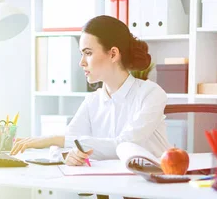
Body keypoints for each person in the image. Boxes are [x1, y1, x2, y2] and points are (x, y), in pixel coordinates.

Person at [10, 15, 171, 166]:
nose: (81, 63)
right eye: (82, 54)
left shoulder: (151, 93)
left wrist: (52, 139)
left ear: (113, 54)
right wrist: (68, 155)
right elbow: (59, 148)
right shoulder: (92, 101)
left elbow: (125, 145)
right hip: (110, 187)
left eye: (88, 53)